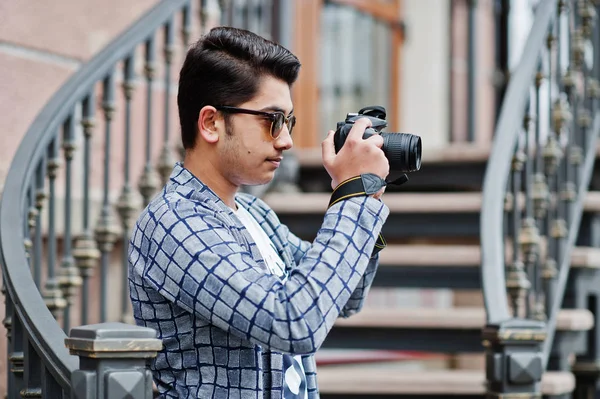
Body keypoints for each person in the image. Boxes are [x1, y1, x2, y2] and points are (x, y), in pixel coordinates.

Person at [128, 26, 390, 399]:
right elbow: (293, 322)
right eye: (272, 120)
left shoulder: (253, 212)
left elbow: (344, 296)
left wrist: (367, 196)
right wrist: (354, 199)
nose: (286, 140)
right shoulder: (173, 223)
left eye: (289, 122)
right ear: (211, 123)